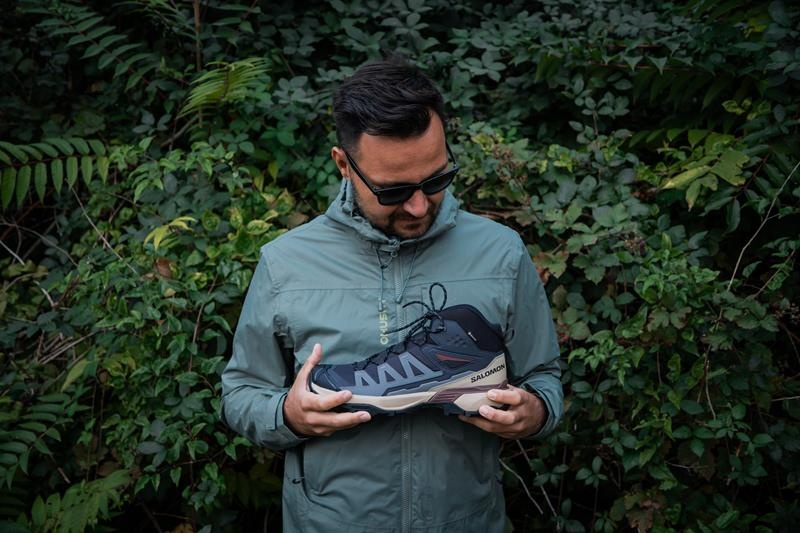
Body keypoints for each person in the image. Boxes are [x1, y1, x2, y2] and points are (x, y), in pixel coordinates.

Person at [221, 54, 563, 532]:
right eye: (393, 191)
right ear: (344, 164)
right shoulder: (286, 263)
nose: (419, 206)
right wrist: (289, 415)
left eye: (437, 179)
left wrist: (535, 412)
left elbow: (544, 377)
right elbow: (241, 394)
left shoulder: (501, 252)